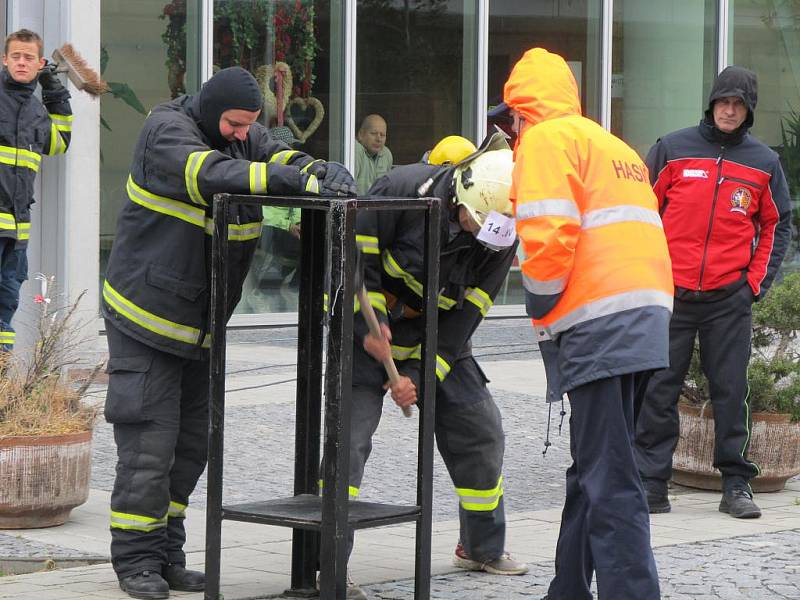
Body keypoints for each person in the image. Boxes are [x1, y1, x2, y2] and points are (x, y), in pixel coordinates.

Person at [102, 66, 356, 600]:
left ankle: (167, 555)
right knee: (150, 447)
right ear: (213, 109)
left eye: (248, 125)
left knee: (191, 448)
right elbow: (208, 174)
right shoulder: (166, 132)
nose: (243, 133)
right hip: (145, 321)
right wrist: (284, 181)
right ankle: (135, 563)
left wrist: (316, 169)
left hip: (198, 328)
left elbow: (277, 152)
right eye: (236, 123)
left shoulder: (242, 134)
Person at [498, 47, 673, 599]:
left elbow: (548, 239)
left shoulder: (547, 141)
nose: (512, 133)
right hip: (643, 319)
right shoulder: (608, 142)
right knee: (594, 467)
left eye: (511, 122)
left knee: (610, 477)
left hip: (600, 324)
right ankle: (567, 589)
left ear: (522, 111)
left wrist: (541, 315)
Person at [341, 134, 528, 600]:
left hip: (439, 331)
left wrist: (423, 376)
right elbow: (351, 268)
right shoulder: (401, 191)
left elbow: (471, 311)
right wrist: (371, 325)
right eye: (471, 221)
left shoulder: (501, 226)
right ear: (459, 192)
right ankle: (328, 563)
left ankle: (482, 547)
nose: (475, 233)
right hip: (369, 329)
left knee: (480, 430)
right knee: (350, 440)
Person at [634, 66, 792, 520]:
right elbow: (642, 212)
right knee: (658, 389)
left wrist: (753, 285)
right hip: (672, 294)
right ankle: (651, 482)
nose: (729, 109)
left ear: (749, 111)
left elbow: (776, 225)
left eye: (739, 104)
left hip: (729, 297)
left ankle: (736, 484)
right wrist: (649, 275)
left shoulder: (765, 162)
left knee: (730, 390)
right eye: (723, 101)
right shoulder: (672, 148)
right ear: (711, 104)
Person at [0, 29, 71, 352]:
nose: (21, 62)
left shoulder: (37, 111)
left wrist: (54, 91)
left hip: (17, 235)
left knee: (6, 308)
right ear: (5, 60)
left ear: (40, 63)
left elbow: (58, 143)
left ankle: (2, 383)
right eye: (15, 56)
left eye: (28, 57)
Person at [354, 114, 392, 194]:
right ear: (361, 135)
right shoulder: (354, 150)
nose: (378, 139)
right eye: (374, 133)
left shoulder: (386, 154)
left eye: (382, 135)